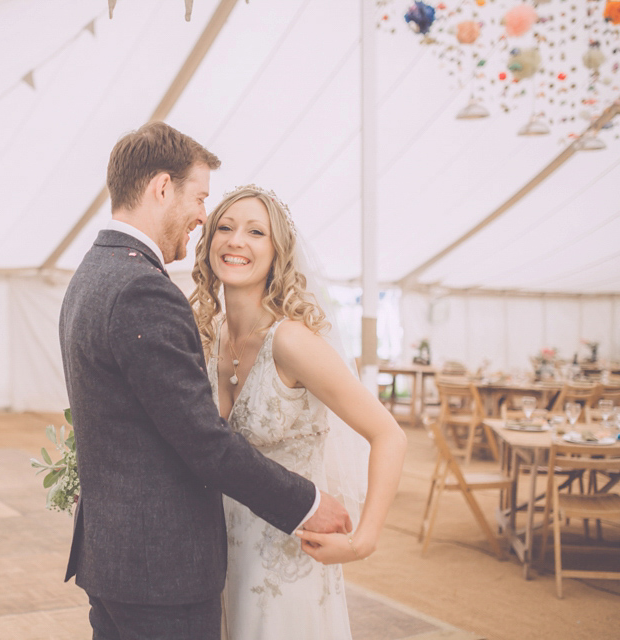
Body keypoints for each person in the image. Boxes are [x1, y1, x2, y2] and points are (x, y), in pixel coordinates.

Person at [58, 122, 352, 640]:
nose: (202, 216)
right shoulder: (144, 290)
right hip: (160, 573)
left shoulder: (90, 274)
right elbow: (202, 441)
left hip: (116, 561)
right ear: (162, 187)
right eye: (199, 199)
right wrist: (306, 502)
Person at [188, 184, 408, 639]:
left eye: (255, 232)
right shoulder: (208, 339)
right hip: (221, 560)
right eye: (224, 228)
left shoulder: (291, 342)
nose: (235, 241)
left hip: (288, 561)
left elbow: (390, 435)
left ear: (278, 253)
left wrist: (362, 541)